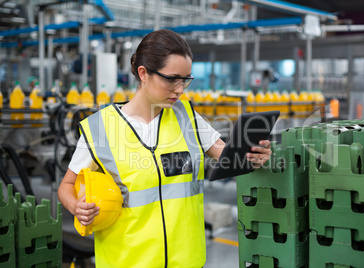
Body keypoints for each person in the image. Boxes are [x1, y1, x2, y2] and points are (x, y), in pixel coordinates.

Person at [58, 29, 272, 268]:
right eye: (172, 79)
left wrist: (252, 156)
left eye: (185, 79)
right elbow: (67, 185)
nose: (180, 89)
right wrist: (76, 206)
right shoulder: (100, 129)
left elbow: (228, 155)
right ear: (143, 73)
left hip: (187, 260)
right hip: (128, 261)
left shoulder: (186, 117)